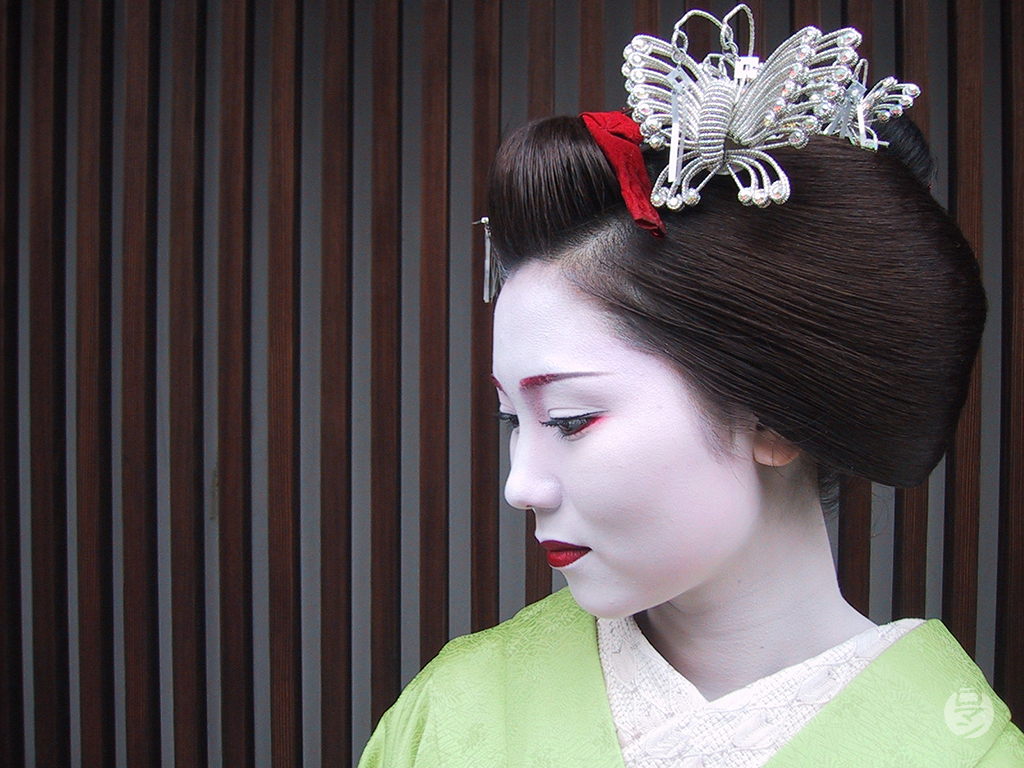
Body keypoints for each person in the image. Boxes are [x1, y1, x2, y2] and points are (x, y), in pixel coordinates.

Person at [359, 7, 1024, 766]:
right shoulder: (454, 714)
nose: (521, 485)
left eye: (570, 419)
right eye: (517, 421)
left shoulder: (956, 750)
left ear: (776, 416)